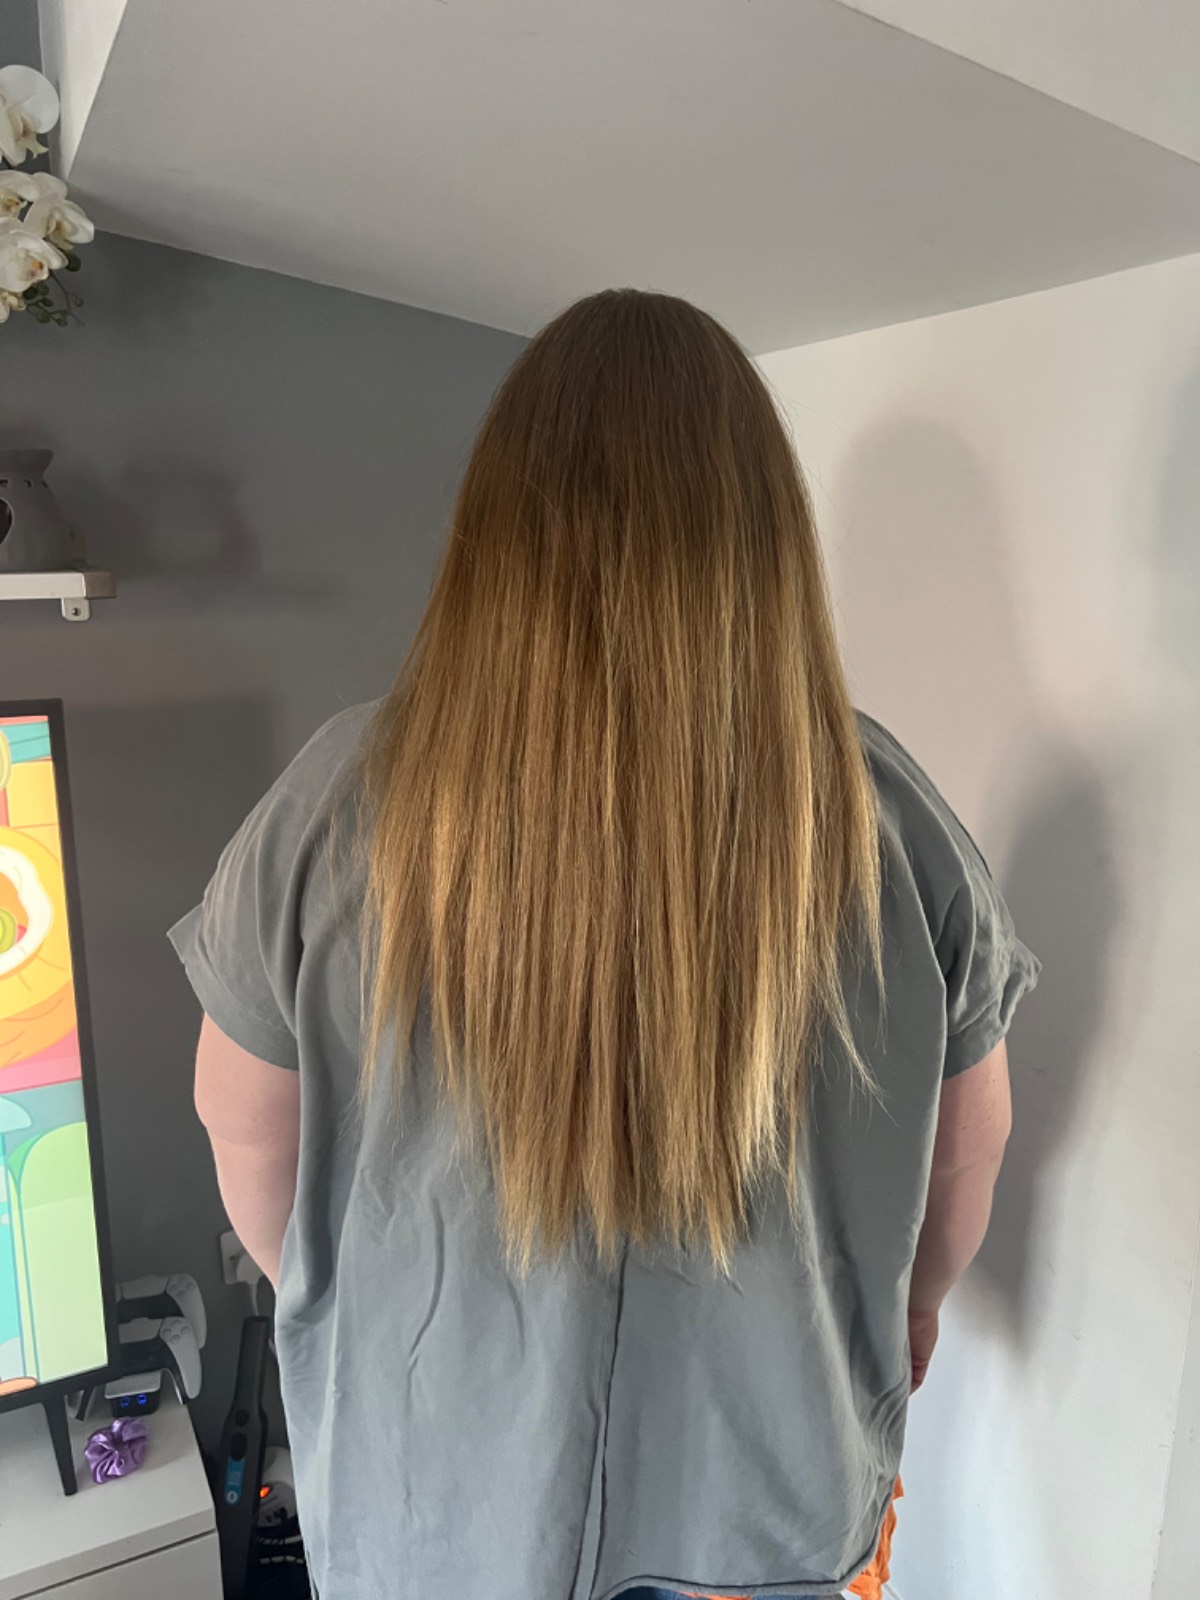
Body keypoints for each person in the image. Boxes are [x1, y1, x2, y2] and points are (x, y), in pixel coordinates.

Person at [170, 290, 1039, 1600]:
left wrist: (356, 1320)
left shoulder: (338, 801)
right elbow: (970, 1146)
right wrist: (909, 1312)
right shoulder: (890, 817)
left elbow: (244, 1134)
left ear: (498, 531)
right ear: (765, 538)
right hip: (769, 1523)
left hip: (434, 1522)